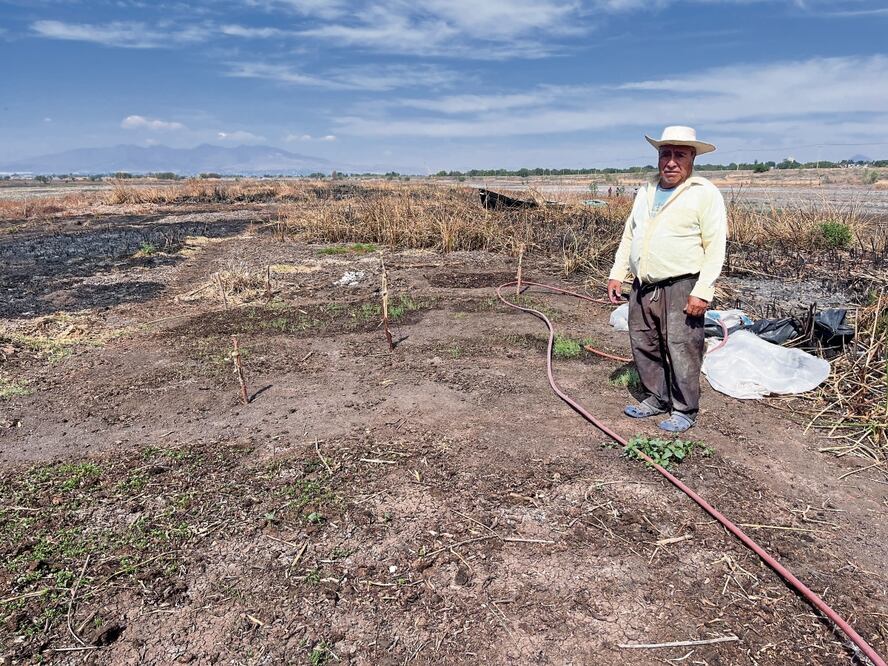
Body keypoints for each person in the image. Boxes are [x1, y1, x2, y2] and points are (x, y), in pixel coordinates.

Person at [606, 126, 727, 432]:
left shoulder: (703, 193)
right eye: (665, 154)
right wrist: (617, 273)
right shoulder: (647, 191)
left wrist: (703, 291)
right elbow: (630, 234)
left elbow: (715, 246)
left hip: (681, 285)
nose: (671, 162)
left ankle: (685, 408)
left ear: (692, 158)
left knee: (682, 346)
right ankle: (657, 397)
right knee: (644, 342)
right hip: (643, 284)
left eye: (680, 155)